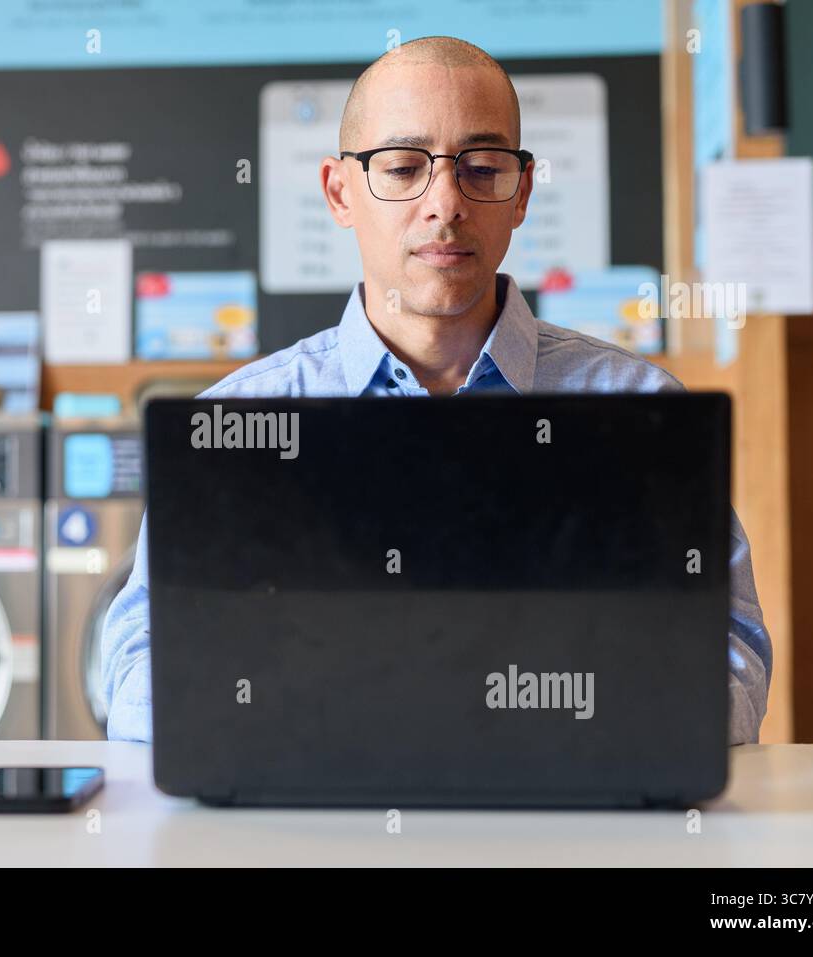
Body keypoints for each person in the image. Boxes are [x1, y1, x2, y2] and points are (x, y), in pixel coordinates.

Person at [101, 35, 771, 746]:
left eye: (482, 168)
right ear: (339, 192)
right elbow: (138, 672)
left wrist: (556, 726)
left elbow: (730, 660)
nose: (446, 203)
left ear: (522, 193)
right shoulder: (240, 422)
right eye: (401, 167)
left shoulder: (639, 411)